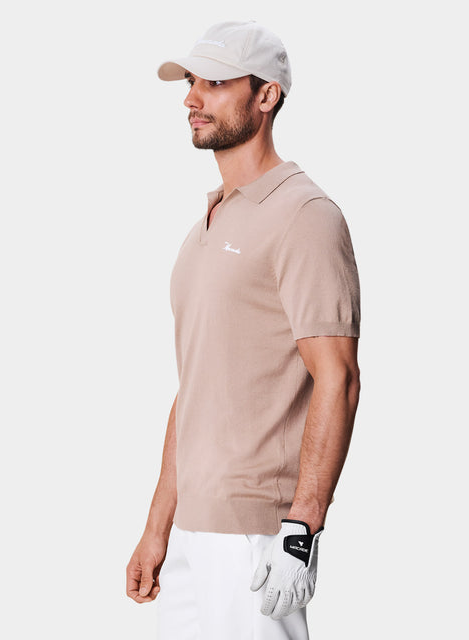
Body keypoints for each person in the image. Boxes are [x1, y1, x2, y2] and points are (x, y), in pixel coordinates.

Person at [126, 19, 361, 640]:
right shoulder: (206, 224)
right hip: (191, 533)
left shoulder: (304, 215)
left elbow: (337, 377)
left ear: (266, 95)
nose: (191, 98)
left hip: (257, 535)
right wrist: (157, 528)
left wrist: (301, 528)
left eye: (215, 83)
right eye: (191, 82)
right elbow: (195, 386)